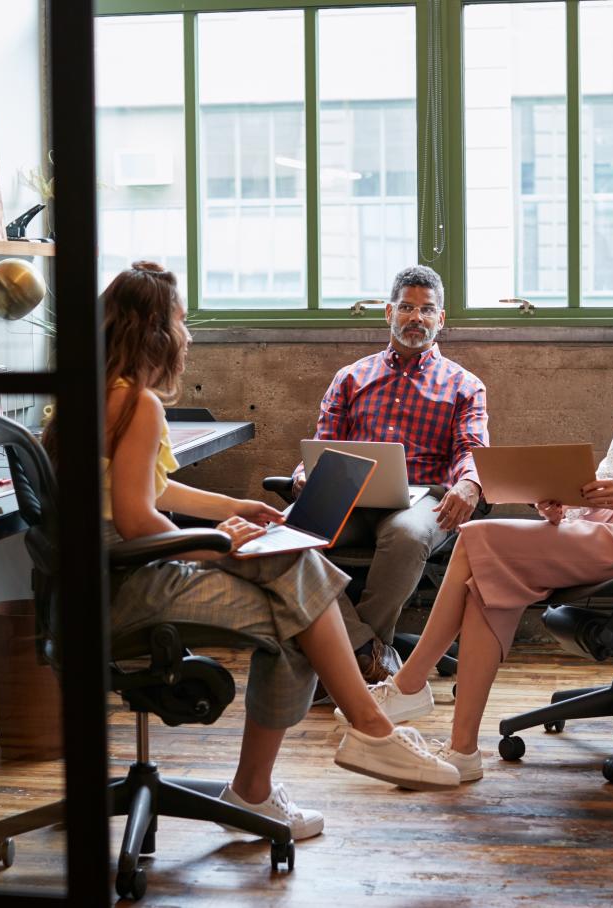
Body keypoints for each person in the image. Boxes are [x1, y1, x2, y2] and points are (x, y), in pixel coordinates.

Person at [74, 261, 459, 840]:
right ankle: (360, 733)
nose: (188, 333)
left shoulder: (102, 393)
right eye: (181, 320)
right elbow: (135, 520)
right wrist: (220, 541)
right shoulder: (139, 406)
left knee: (297, 592)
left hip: (104, 572)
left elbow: (147, 491)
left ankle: (346, 737)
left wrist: (235, 509)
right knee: (296, 610)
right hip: (132, 579)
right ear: (156, 331)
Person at [341, 278, 613, 783]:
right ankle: (462, 749)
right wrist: (567, 503)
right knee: (486, 590)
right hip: (602, 528)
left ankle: (410, 686)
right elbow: (607, 469)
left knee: (475, 539)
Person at [291, 265, 488, 690]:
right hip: (349, 491)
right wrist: (305, 474)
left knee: (406, 535)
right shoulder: (350, 378)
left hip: (423, 497)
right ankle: (367, 653)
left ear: (441, 319)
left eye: (427, 310)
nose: (416, 317)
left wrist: (469, 484)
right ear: (388, 312)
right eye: (407, 307)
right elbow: (323, 444)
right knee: (284, 537)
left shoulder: (464, 384)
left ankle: (346, 660)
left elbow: (470, 450)